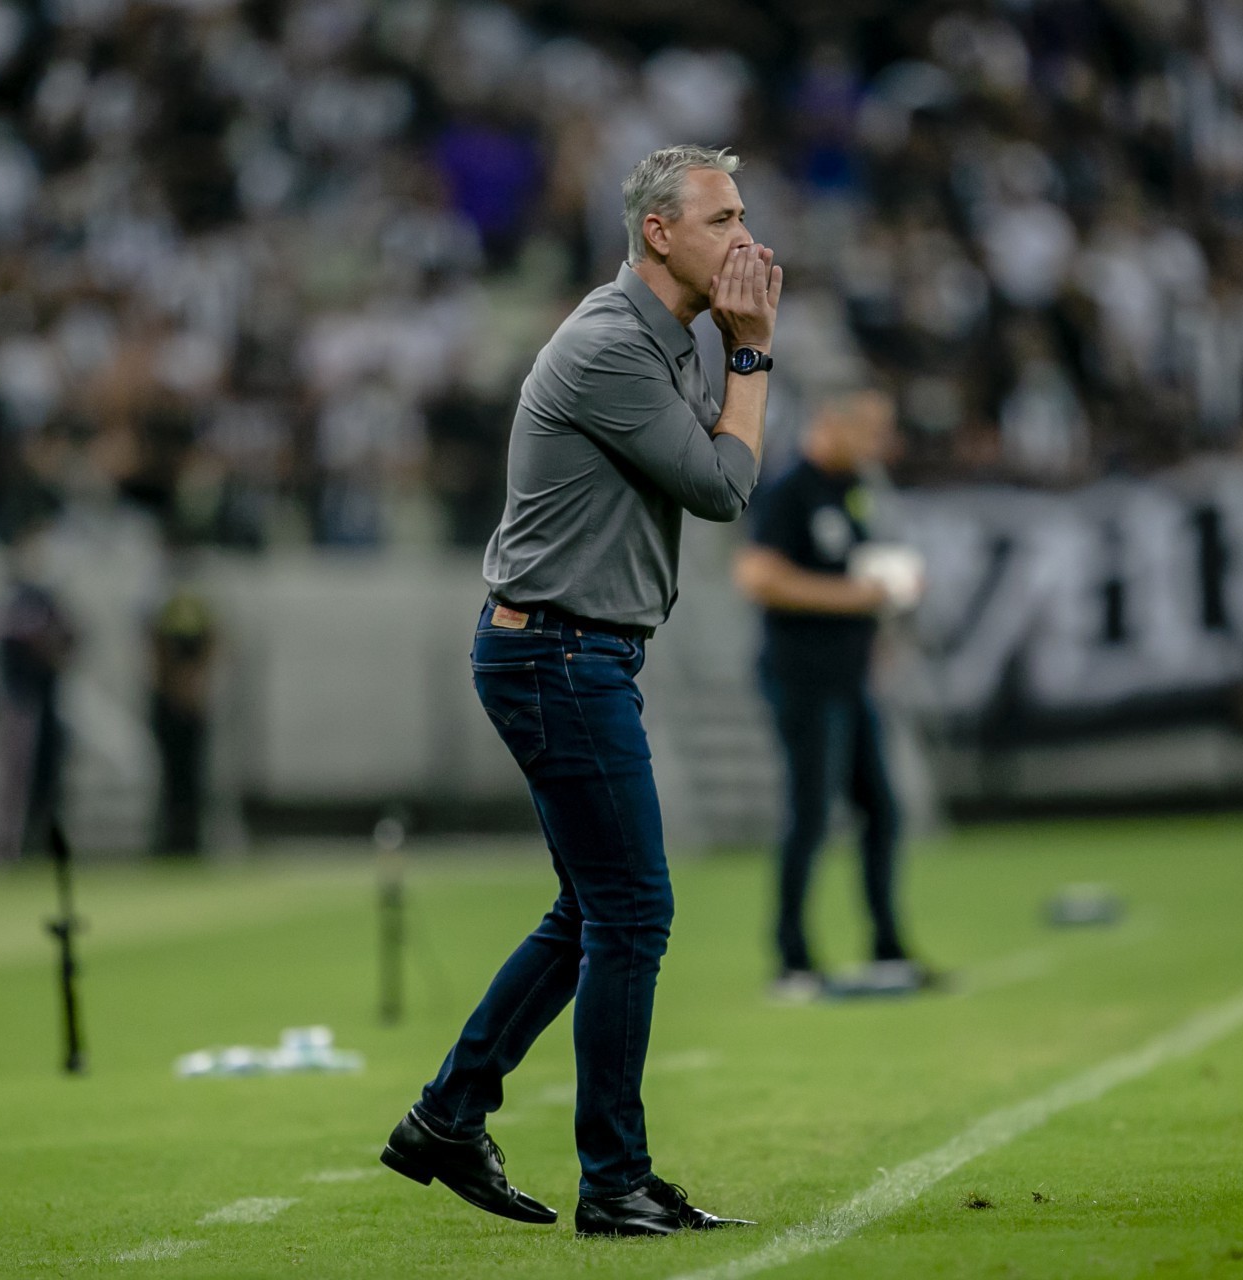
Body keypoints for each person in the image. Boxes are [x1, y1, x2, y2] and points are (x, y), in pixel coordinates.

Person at [380, 144, 779, 1238]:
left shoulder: (657, 337)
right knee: (633, 911)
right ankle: (615, 1179)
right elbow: (723, 485)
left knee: (591, 910)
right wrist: (752, 354)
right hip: (557, 651)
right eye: (722, 219)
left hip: (569, 649)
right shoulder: (611, 344)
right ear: (658, 230)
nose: (745, 239)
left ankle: (448, 1116)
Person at [733, 388, 934, 1001]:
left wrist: (882, 607)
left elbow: (851, 570)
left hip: (850, 679)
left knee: (881, 810)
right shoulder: (790, 488)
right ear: (831, 422)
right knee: (811, 814)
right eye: (869, 429)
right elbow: (757, 576)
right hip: (801, 677)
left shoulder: (854, 490)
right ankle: (791, 960)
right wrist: (855, 598)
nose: (879, 443)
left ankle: (887, 949)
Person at [0, 519, 77, 861]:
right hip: (19, 700)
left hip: (47, 700)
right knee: (14, 776)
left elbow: (71, 635)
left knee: (47, 774)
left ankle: (41, 839)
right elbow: (31, 640)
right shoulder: (13, 597)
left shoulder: (48, 597)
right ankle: (6, 845)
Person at [147, 569, 218, 857]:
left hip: (188, 707)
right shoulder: (168, 608)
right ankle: (173, 838)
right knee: (172, 776)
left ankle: (189, 839)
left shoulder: (188, 608)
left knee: (190, 776)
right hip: (170, 705)